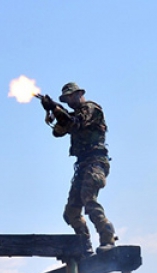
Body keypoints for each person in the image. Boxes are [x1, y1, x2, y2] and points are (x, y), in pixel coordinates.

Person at [40, 82, 117, 254]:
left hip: (95, 162)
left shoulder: (91, 109)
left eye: (70, 97)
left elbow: (75, 123)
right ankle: (84, 246)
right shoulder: (71, 115)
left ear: (78, 94)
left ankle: (107, 238)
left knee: (88, 199)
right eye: (65, 100)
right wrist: (53, 110)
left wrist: (56, 108)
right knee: (71, 212)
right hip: (82, 165)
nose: (68, 102)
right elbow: (58, 131)